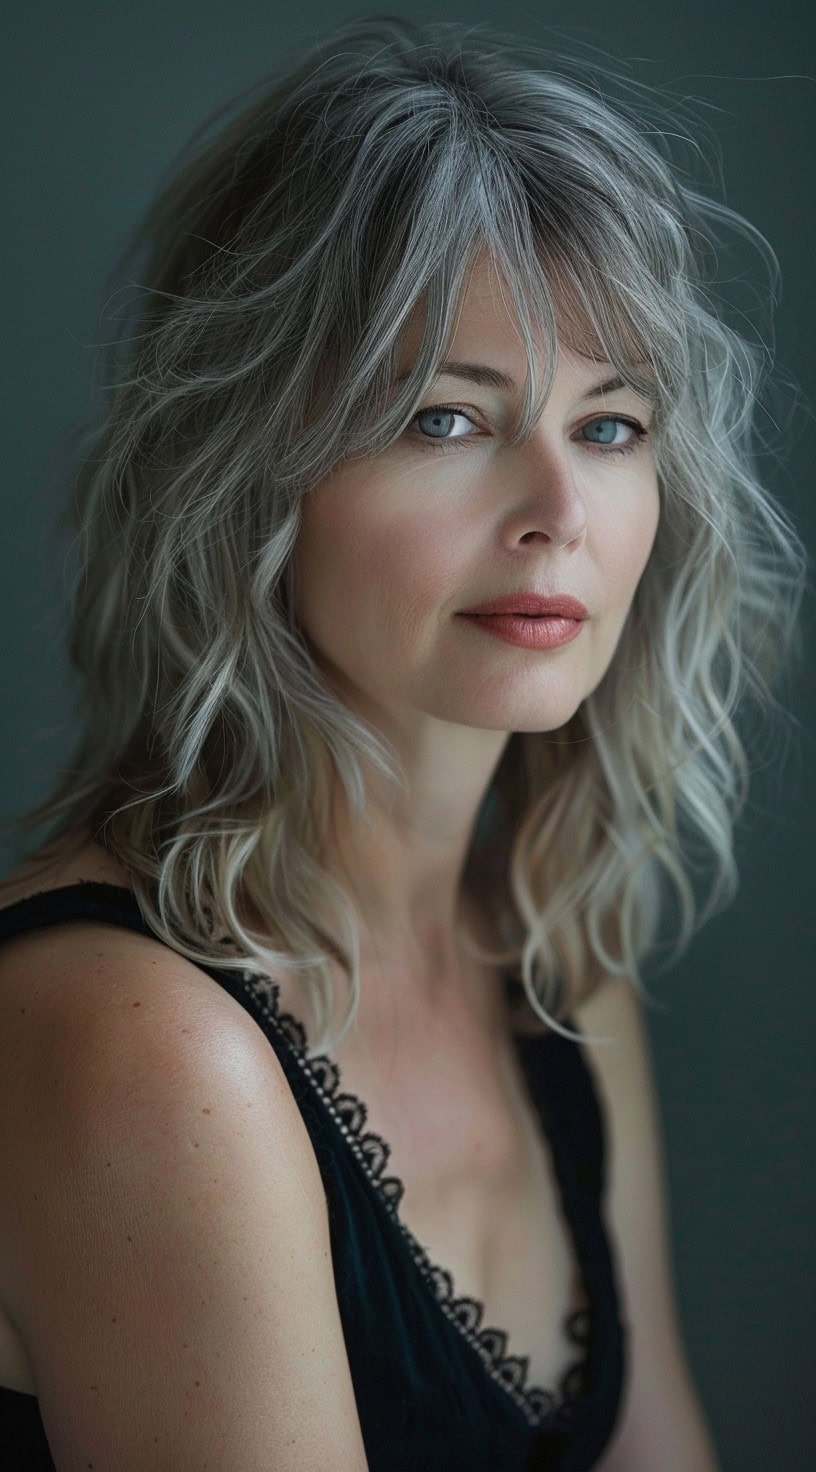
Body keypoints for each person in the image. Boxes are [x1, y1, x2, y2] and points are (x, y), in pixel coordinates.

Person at [0, 13, 806, 1472]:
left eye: (613, 426)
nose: (558, 504)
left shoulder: (556, 964)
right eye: (446, 417)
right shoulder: (142, 1042)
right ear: (247, 475)